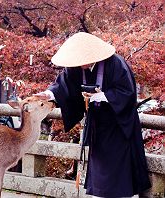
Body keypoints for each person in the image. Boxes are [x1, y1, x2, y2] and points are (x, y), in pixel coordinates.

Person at [35, 32, 151, 197]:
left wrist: (102, 96)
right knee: (100, 171)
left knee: (119, 169)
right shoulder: (76, 67)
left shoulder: (115, 63)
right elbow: (62, 86)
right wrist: (48, 94)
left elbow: (127, 92)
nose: (80, 64)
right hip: (97, 125)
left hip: (118, 125)